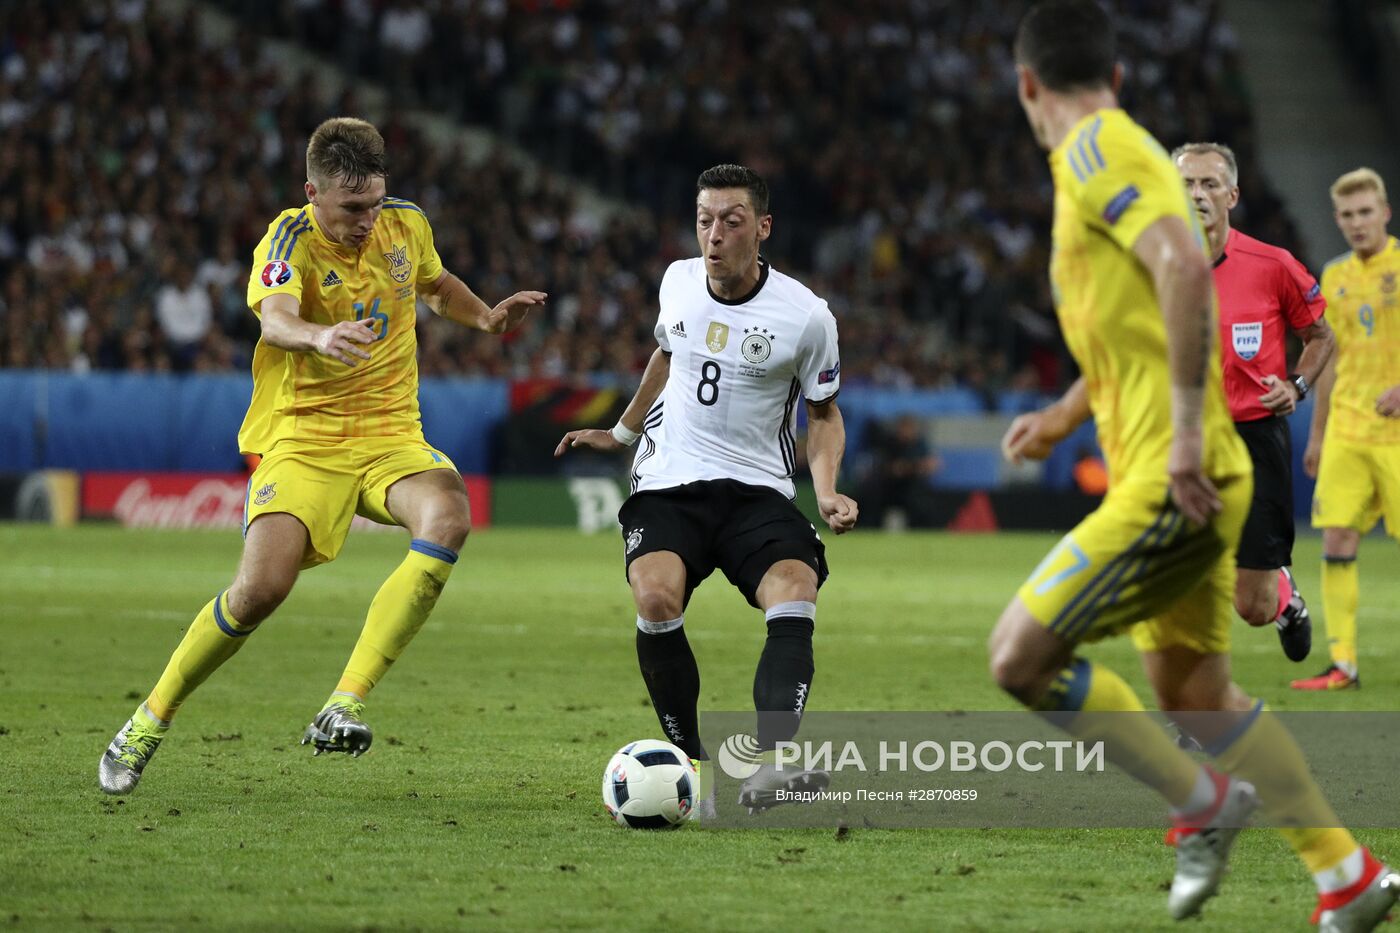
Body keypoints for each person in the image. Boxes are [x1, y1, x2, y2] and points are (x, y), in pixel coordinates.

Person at [994, 3, 1396, 928]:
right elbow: (1136, 320)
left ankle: (1201, 805)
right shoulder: (1108, 162)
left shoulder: (1097, 153)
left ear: (1026, 85)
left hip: (1175, 473)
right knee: (1198, 694)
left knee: (1020, 657)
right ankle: (1345, 871)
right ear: (1120, 76)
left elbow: (1181, 266)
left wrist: (1178, 434)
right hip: (1188, 462)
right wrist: (1061, 417)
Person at [98, 117, 545, 794]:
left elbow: (434, 281)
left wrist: (485, 317)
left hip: (392, 434)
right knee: (259, 592)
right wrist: (316, 334)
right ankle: (148, 719)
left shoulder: (405, 223)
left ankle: (345, 701)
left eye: (375, 203)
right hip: (304, 440)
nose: (368, 220)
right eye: (351, 208)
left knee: (448, 517)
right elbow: (273, 316)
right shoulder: (287, 239)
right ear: (313, 192)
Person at [555, 163, 858, 815]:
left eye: (731, 220)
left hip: (757, 492)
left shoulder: (807, 317)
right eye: (704, 220)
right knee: (656, 595)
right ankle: (692, 765)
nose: (713, 234)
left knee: (794, 590)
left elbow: (824, 412)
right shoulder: (677, 281)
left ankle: (772, 766)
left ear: (763, 227)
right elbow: (667, 354)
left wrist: (827, 488)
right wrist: (622, 430)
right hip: (671, 482)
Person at [1173, 142, 1334, 662]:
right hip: (1186, 439)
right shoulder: (1152, 268)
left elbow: (1321, 337)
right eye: (1186, 184)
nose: (1196, 194)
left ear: (1232, 195)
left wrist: (1298, 387)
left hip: (1254, 437)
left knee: (1253, 606)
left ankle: (1284, 599)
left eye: (1209, 184)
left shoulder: (1272, 265)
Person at [1294, 168, 1400, 691]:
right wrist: (1316, 435)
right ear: (1338, 220)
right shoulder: (1332, 277)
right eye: (1348, 215)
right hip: (1348, 431)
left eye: (1366, 212)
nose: (1358, 223)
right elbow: (1329, 361)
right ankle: (1344, 665)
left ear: (1385, 212)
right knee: (1335, 537)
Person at [859, 413, 941, 529]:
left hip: (911, 487)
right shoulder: (889, 443)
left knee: (923, 503)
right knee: (870, 497)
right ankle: (868, 529)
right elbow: (893, 469)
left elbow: (932, 464)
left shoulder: (919, 444)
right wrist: (916, 466)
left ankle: (923, 531)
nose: (907, 432)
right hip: (889, 487)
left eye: (910, 428)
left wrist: (909, 467)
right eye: (904, 428)